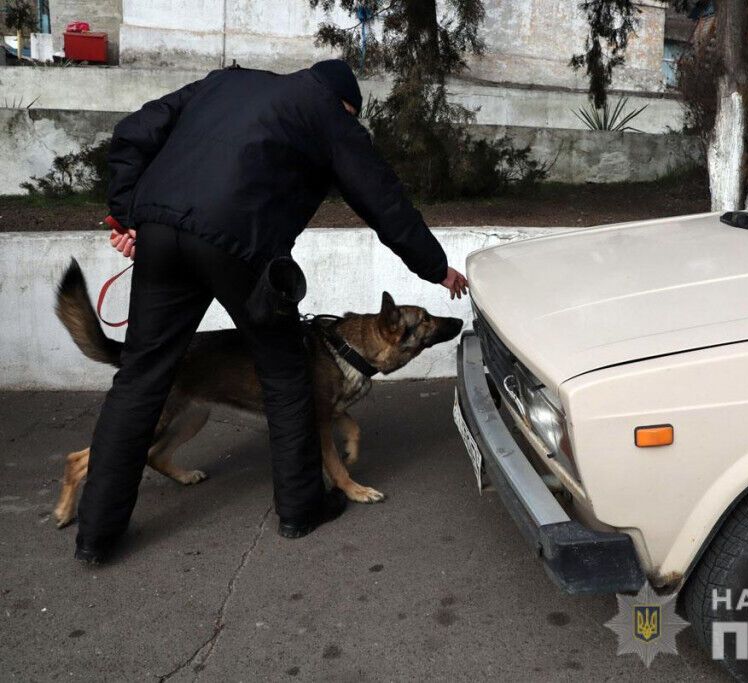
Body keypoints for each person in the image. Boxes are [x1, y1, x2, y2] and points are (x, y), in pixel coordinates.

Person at [77, 59, 469, 564]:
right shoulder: (330, 115)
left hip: (160, 229)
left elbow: (134, 130)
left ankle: (95, 536)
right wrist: (435, 267)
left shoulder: (224, 81)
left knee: (140, 377)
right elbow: (382, 199)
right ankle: (301, 508)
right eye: (352, 115)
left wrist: (128, 215)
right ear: (346, 105)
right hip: (242, 246)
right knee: (287, 375)